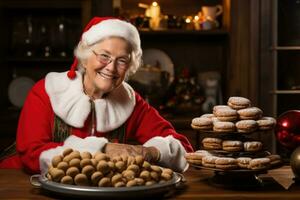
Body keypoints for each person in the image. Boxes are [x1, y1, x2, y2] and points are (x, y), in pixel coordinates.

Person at [0, 17, 193, 174]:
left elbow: (184, 149)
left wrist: (150, 152)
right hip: (21, 184)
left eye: (122, 60)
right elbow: (31, 154)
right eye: (104, 56)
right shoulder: (47, 91)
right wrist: (102, 149)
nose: (111, 67)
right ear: (84, 56)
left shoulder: (132, 102)